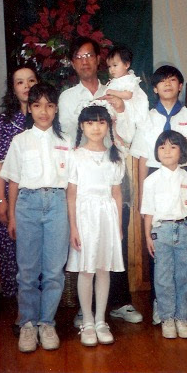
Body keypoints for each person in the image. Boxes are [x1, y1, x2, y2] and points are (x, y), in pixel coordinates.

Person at [59, 36, 142, 325]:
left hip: (114, 167)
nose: (84, 60)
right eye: (78, 56)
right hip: (84, 172)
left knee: (116, 235)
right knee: (87, 242)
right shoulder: (68, 97)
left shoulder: (116, 89)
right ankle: (87, 310)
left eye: (89, 55)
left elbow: (130, 130)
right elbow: (69, 137)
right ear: (73, 63)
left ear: (98, 59)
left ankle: (119, 302)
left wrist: (119, 109)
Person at [130, 65, 187, 326]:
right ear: (154, 88)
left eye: (173, 80)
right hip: (156, 180)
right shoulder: (147, 119)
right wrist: (143, 197)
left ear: (180, 86)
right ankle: (159, 303)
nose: (167, 84)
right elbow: (142, 160)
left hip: (185, 182)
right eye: (162, 81)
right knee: (159, 247)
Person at [0, 82, 72, 353]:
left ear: (56, 110)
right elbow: (14, 182)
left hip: (57, 204)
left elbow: (72, 184)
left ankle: (46, 322)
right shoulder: (20, 141)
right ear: (30, 109)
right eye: (38, 105)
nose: (44, 111)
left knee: (54, 270)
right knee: (27, 271)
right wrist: (13, 216)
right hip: (27, 205)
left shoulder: (65, 143)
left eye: (50, 106)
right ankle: (28, 324)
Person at [66, 101, 125, 346]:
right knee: (86, 269)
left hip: (107, 216)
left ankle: (101, 320)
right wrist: (74, 228)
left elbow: (117, 193)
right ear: (82, 126)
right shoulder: (76, 156)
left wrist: (119, 226)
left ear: (108, 125)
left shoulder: (115, 156)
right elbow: (71, 193)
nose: (96, 128)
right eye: (90, 122)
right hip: (84, 217)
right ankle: (87, 321)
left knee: (103, 269)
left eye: (101, 122)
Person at [141, 130, 187, 339]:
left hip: (185, 230)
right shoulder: (151, 180)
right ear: (156, 152)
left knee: (185, 276)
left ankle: (182, 317)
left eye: (173, 146)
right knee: (163, 277)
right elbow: (148, 211)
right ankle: (167, 317)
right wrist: (148, 236)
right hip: (162, 232)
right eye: (162, 147)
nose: (167, 151)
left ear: (182, 152)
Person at [0, 64, 39, 301]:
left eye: (31, 80)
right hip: (12, 197)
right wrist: (1, 201)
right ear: (13, 88)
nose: (27, 86)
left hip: (40, 196)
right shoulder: (5, 121)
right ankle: (23, 314)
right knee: (15, 251)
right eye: (20, 82)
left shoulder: (44, 116)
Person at [105, 45, 149, 130]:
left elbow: (128, 95)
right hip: (119, 109)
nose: (111, 70)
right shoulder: (115, 80)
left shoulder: (130, 79)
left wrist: (113, 92)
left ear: (126, 65)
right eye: (109, 66)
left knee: (128, 128)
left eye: (115, 65)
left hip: (130, 109)